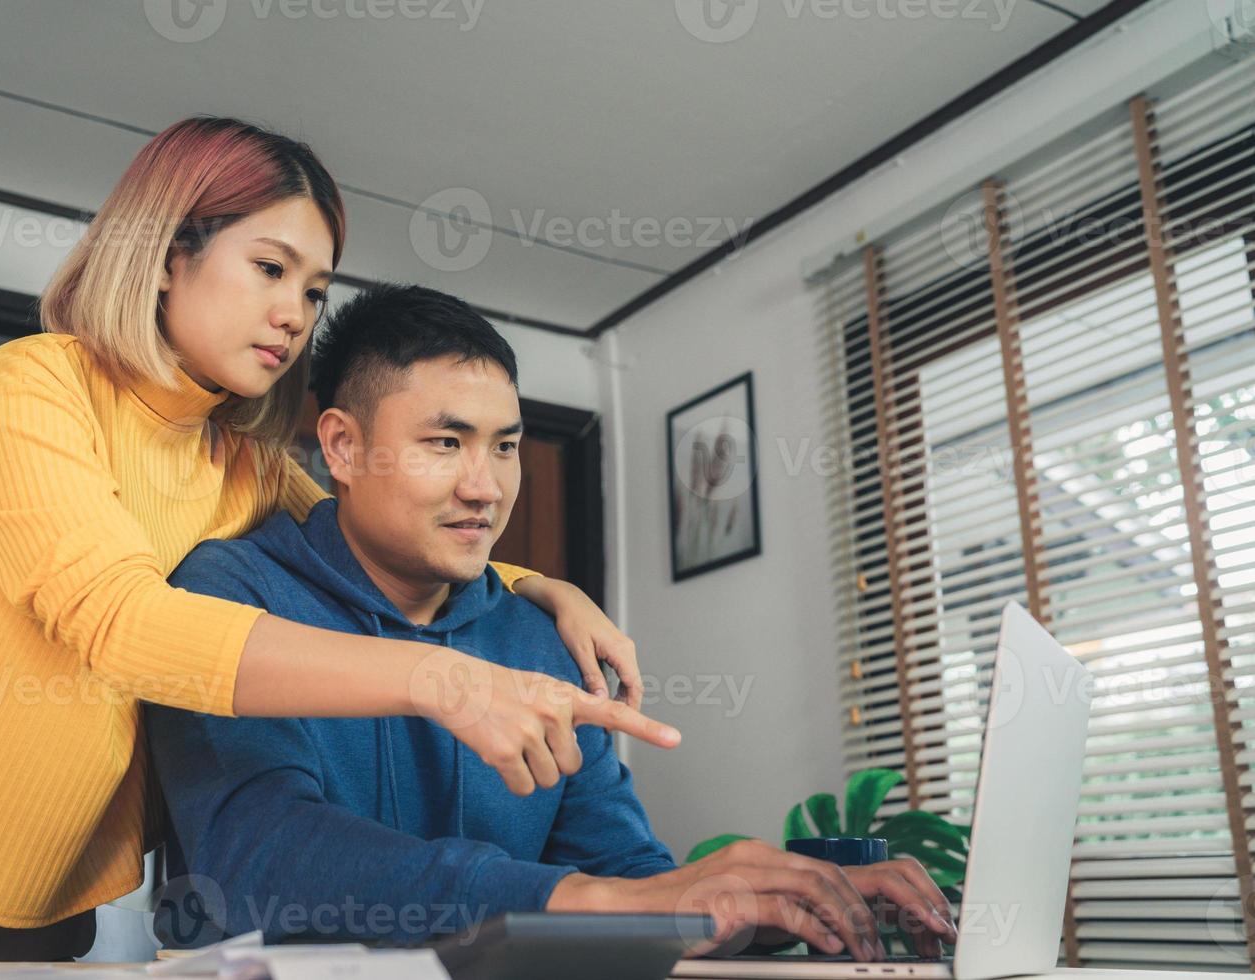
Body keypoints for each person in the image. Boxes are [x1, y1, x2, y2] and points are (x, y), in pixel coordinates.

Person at [0, 117, 676, 962]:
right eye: (269, 267)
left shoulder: (237, 465)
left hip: (36, 908)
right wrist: (440, 680)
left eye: (314, 288)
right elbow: (121, 624)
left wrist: (536, 588)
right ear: (169, 254)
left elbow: (373, 522)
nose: (294, 313)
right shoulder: (24, 390)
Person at [146, 284, 959, 960]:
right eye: (445, 442)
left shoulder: (545, 638)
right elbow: (259, 860)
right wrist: (575, 898)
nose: (486, 487)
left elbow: (628, 876)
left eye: (505, 447)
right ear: (344, 449)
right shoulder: (227, 596)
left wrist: (789, 904)